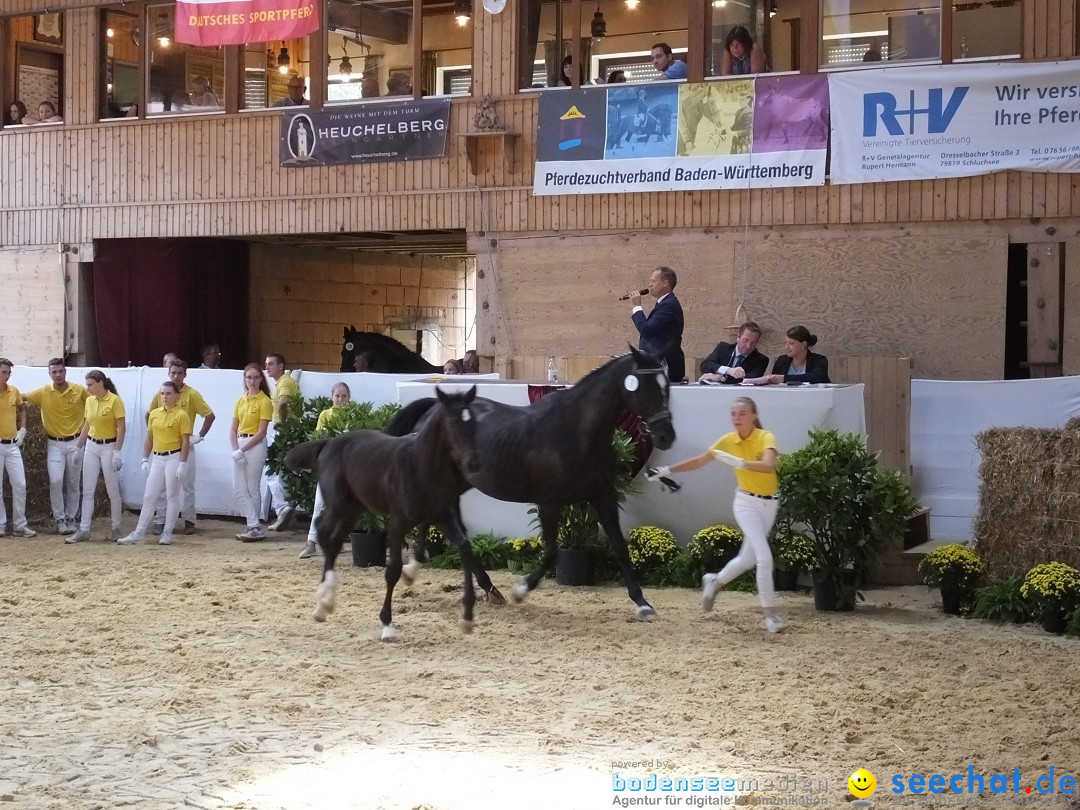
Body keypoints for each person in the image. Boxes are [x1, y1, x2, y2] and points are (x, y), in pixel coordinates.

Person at [645, 396, 786, 633]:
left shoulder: (765, 437)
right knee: (764, 557)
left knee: (747, 559)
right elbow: (699, 461)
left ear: (753, 416)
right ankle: (770, 615)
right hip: (746, 503)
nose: (737, 418)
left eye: (742, 413)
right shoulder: (728, 441)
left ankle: (715, 581)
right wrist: (667, 470)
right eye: (733, 414)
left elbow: (768, 465)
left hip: (769, 504)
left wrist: (741, 463)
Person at [118, 380, 191, 546]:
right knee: (149, 495)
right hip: (158, 457)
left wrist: (182, 462)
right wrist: (145, 458)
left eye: (168, 393)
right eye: (162, 393)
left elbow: (185, 441)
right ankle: (139, 532)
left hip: (174, 456)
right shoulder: (155, 414)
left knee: (172, 495)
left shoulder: (181, 415)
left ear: (176, 396)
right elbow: (150, 438)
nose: (165, 397)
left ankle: (167, 532)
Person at [147, 359, 215, 535]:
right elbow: (150, 414)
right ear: (168, 373)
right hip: (165, 447)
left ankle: (189, 519)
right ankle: (160, 519)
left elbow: (209, 416)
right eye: (173, 373)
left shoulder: (192, 394)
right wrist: (156, 434)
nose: (176, 376)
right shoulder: (162, 393)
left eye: (179, 373)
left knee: (187, 484)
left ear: (185, 375)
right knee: (162, 486)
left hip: (185, 445)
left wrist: (199, 436)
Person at [24, 358, 88, 534]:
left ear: (65, 371)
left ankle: (71, 518)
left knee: (73, 483)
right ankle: (60, 519)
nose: (58, 375)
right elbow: (20, 399)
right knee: (56, 480)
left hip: (76, 442)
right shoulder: (43, 392)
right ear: (49, 373)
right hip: (55, 443)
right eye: (54, 372)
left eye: (60, 371)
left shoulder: (79, 390)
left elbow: (96, 402)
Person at [69, 370, 126, 543]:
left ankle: (116, 528)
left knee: (112, 490)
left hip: (108, 446)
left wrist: (117, 451)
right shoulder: (89, 401)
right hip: (92, 446)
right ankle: (84, 529)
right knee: (87, 489)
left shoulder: (115, 401)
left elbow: (121, 428)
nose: (88, 388)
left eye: (90, 384)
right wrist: (78, 447)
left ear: (101, 383)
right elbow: (87, 425)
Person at [298, 382, 351, 559]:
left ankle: (337, 539)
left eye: (343, 396)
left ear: (349, 398)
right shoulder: (325, 415)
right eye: (337, 396)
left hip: (347, 466)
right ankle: (311, 542)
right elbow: (321, 438)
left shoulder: (352, 415)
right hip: (330, 465)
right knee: (320, 503)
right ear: (332, 397)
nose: (340, 400)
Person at [231, 363, 274, 541]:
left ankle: (253, 526)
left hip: (254, 444)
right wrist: (236, 450)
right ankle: (253, 524)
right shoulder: (240, 400)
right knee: (239, 488)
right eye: (249, 377)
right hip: (241, 441)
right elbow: (233, 429)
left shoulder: (265, 401)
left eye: (256, 377)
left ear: (261, 379)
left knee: (252, 487)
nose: (252, 381)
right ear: (245, 379)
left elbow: (262, 431)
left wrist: (242, 449)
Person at [629, 266, 685, 382]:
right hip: (657, 366)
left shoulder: (668, 305)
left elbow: (646, 329)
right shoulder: (664, 304)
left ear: (665, 283)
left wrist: (637, 307)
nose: (650, 285)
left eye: (653, 281)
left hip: (666, 367)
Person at [263, 353, 300, 531]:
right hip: (286, 429)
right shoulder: (283, 382)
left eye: (271, 364)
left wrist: (283, 425)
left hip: (282, 429)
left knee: (270, 471)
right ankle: (287, 512)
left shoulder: (285, 381)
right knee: (284, 473)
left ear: (281, 366)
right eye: (266, 364)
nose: (267, 367)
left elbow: (283, 402)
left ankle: (283, 508)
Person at [0, 358, 35, 537]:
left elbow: (22, 408)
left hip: (12, 443)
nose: (6, 376)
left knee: (20, 484)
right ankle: (1, 524)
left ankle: (20, 525)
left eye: (8, 372)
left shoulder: (14, 391)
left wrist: (23, 428)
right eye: (3, 372)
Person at [757, 325, 830, 384]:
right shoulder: (782, 360)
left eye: (791, 343)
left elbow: (818, 378)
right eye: (786, 342)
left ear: (804, 344)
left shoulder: (819, 360)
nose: (786, 347)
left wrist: (784, 378)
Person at [699, 322, 769, 384]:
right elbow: (705, 365)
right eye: (745, 340)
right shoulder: (723, 348)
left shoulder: (761, 360)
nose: (748, 346)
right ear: (738, 337)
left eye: (753, 342)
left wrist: (720, 377)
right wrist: (727, 370)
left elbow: (751, 378)